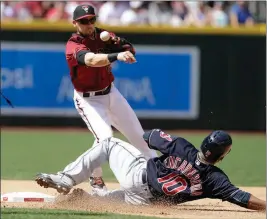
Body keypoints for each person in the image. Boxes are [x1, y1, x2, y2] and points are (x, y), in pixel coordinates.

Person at [35, 129, 266, 210]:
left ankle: (66, 180)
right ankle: (88, 197)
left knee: (107, 143)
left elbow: (149, 136)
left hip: (137, 176)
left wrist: (165, 143)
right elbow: (243, 198)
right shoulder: (216, 180)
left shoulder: (181, 146)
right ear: (222, 155)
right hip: (147, 202)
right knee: (108, 201)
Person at [64, 4, 157, 190]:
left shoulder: (103, 35)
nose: (89, 24)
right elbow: (91, 60)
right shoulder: (73, 45)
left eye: (92, 20)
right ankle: (95, 179)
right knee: (105, 139)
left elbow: (130, 49)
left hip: (111, 93)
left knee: (141, 138)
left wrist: (120, 44)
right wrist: (116, 55)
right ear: (75, 23)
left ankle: (160, 179)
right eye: (84, 21)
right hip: (88, 100)